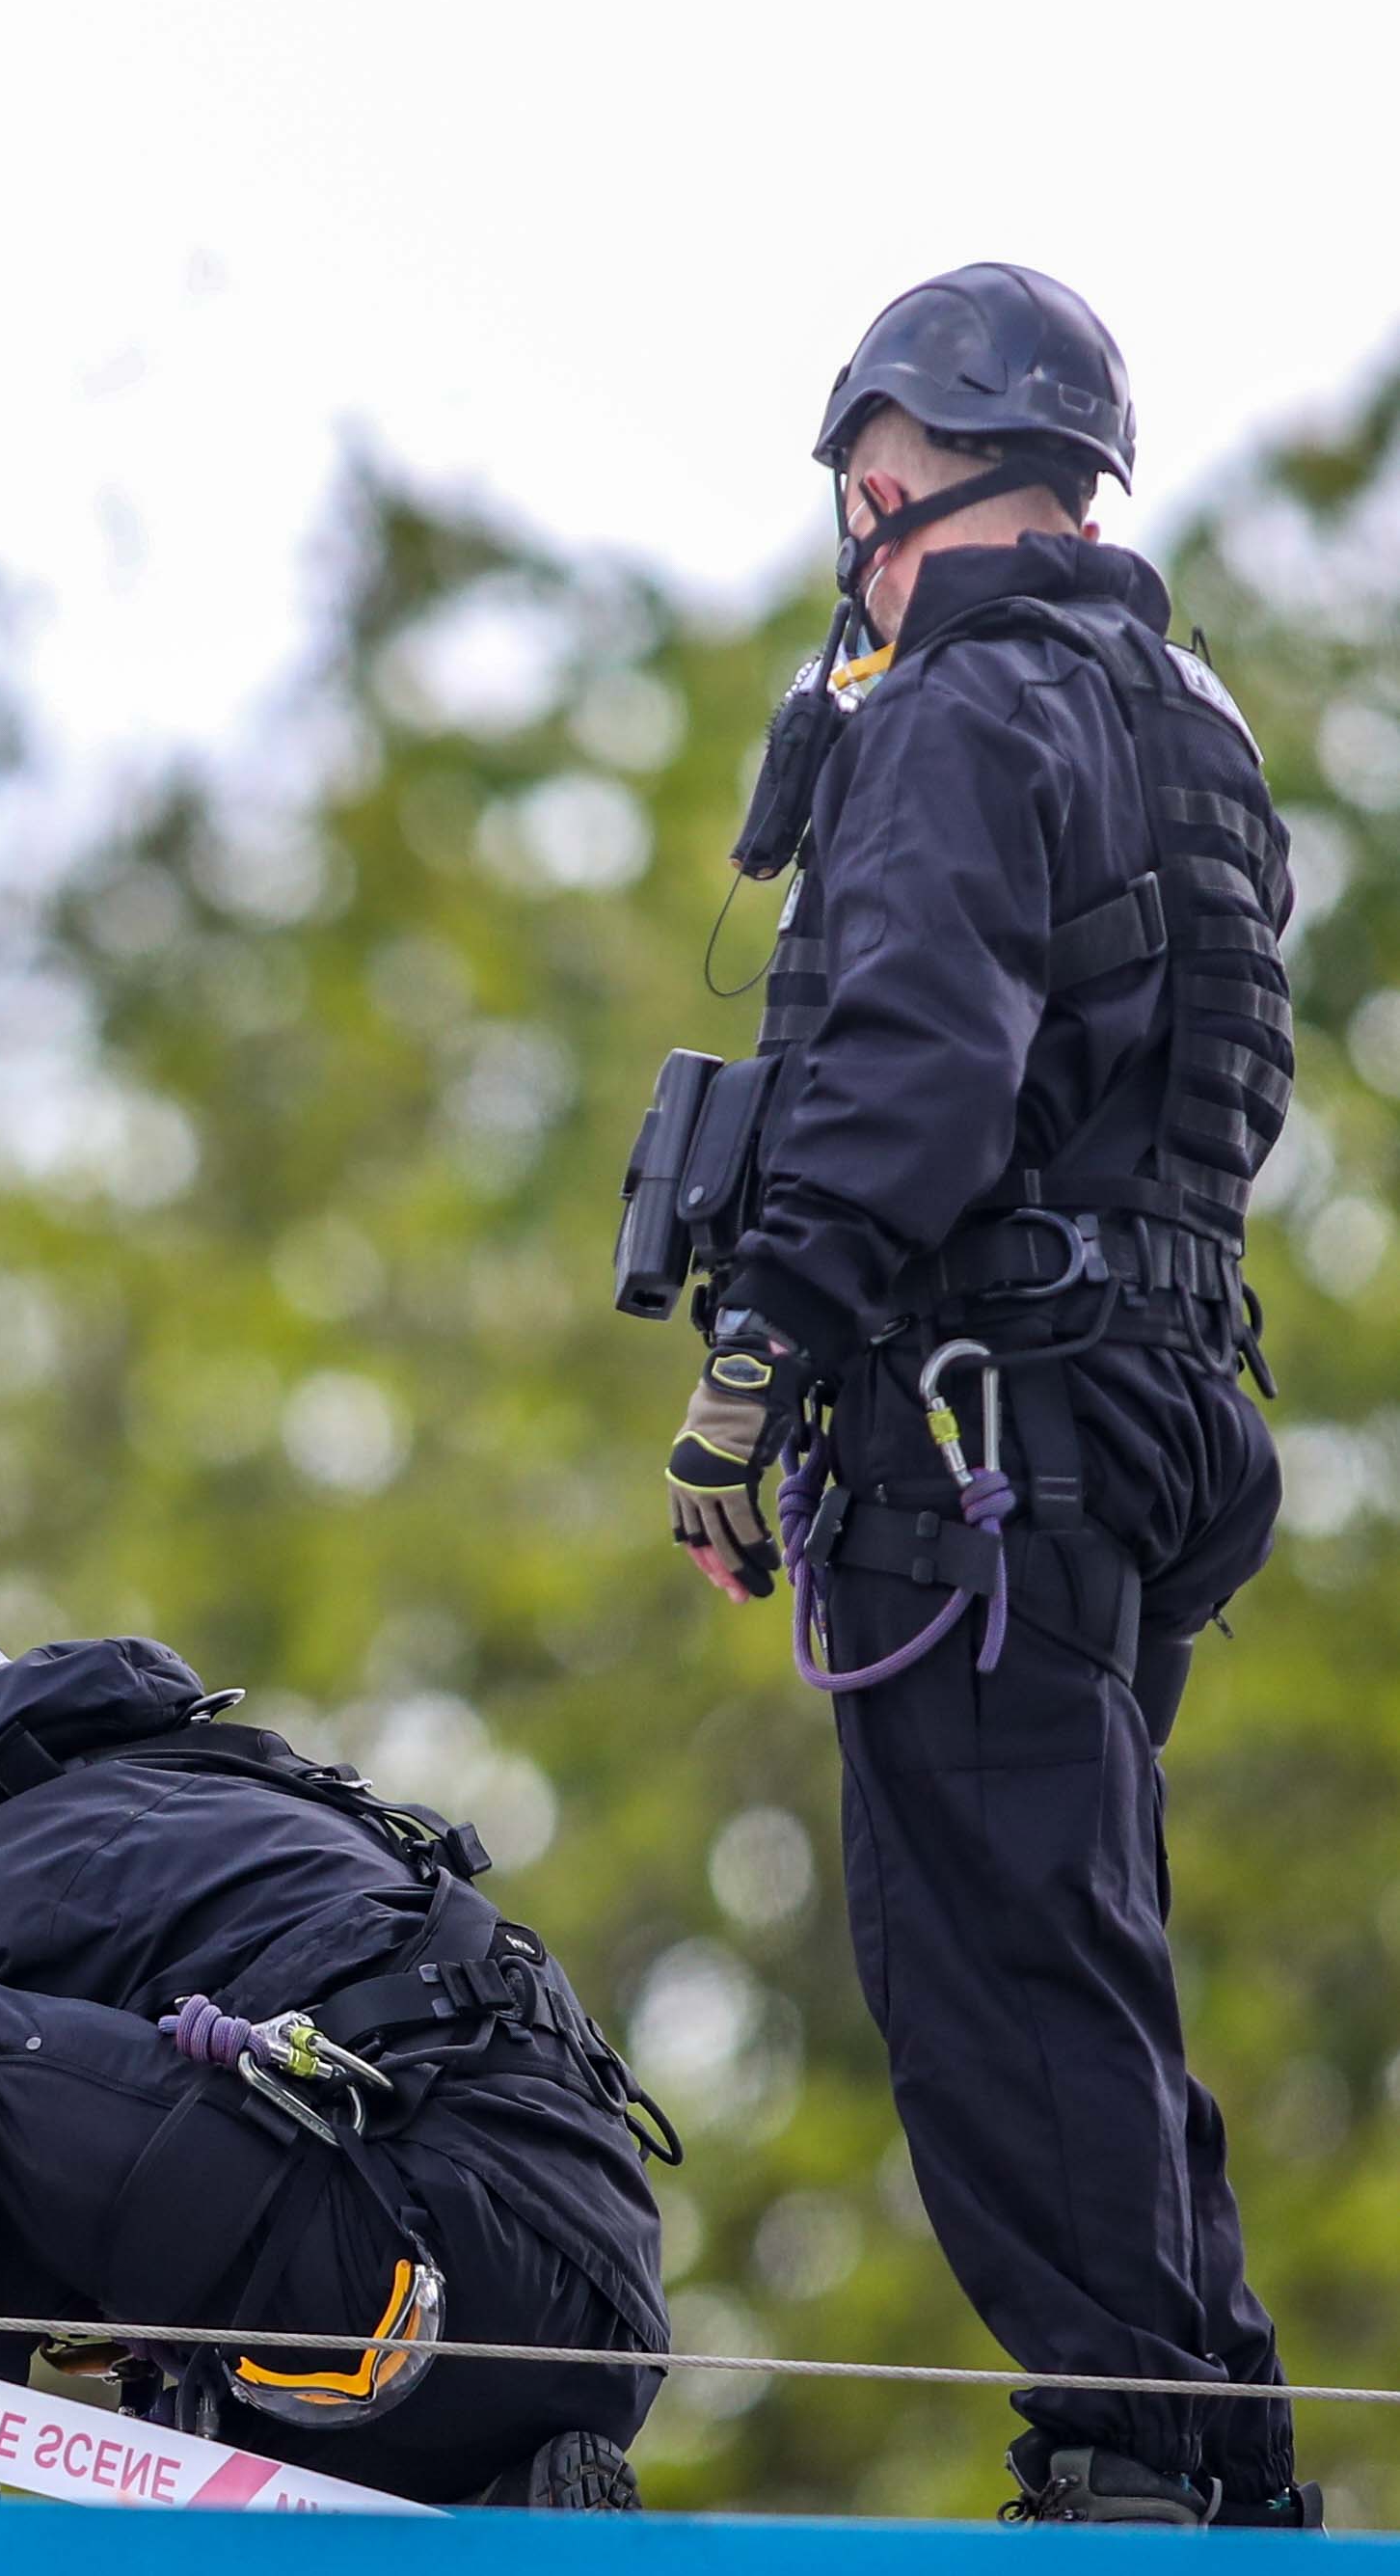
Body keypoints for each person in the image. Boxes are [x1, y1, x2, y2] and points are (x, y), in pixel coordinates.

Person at [652, 263, 1307, 2527]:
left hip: (989, 1428)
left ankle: (1129, 2459)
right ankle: (1225, 2452)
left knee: (995, 1956)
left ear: (887, 479)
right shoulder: (1186, 724)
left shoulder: (958, 711)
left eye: (863, 500)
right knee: (1080, 1933)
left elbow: (918, 1081)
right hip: (1152, 1410)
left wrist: (759, 1367)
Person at [0, 1597, 668, 2508]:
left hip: (421, 2257)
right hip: (582, 2316)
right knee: (178, 2437)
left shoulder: (18, 1870)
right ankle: (506, 2513)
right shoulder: (185, 1798)